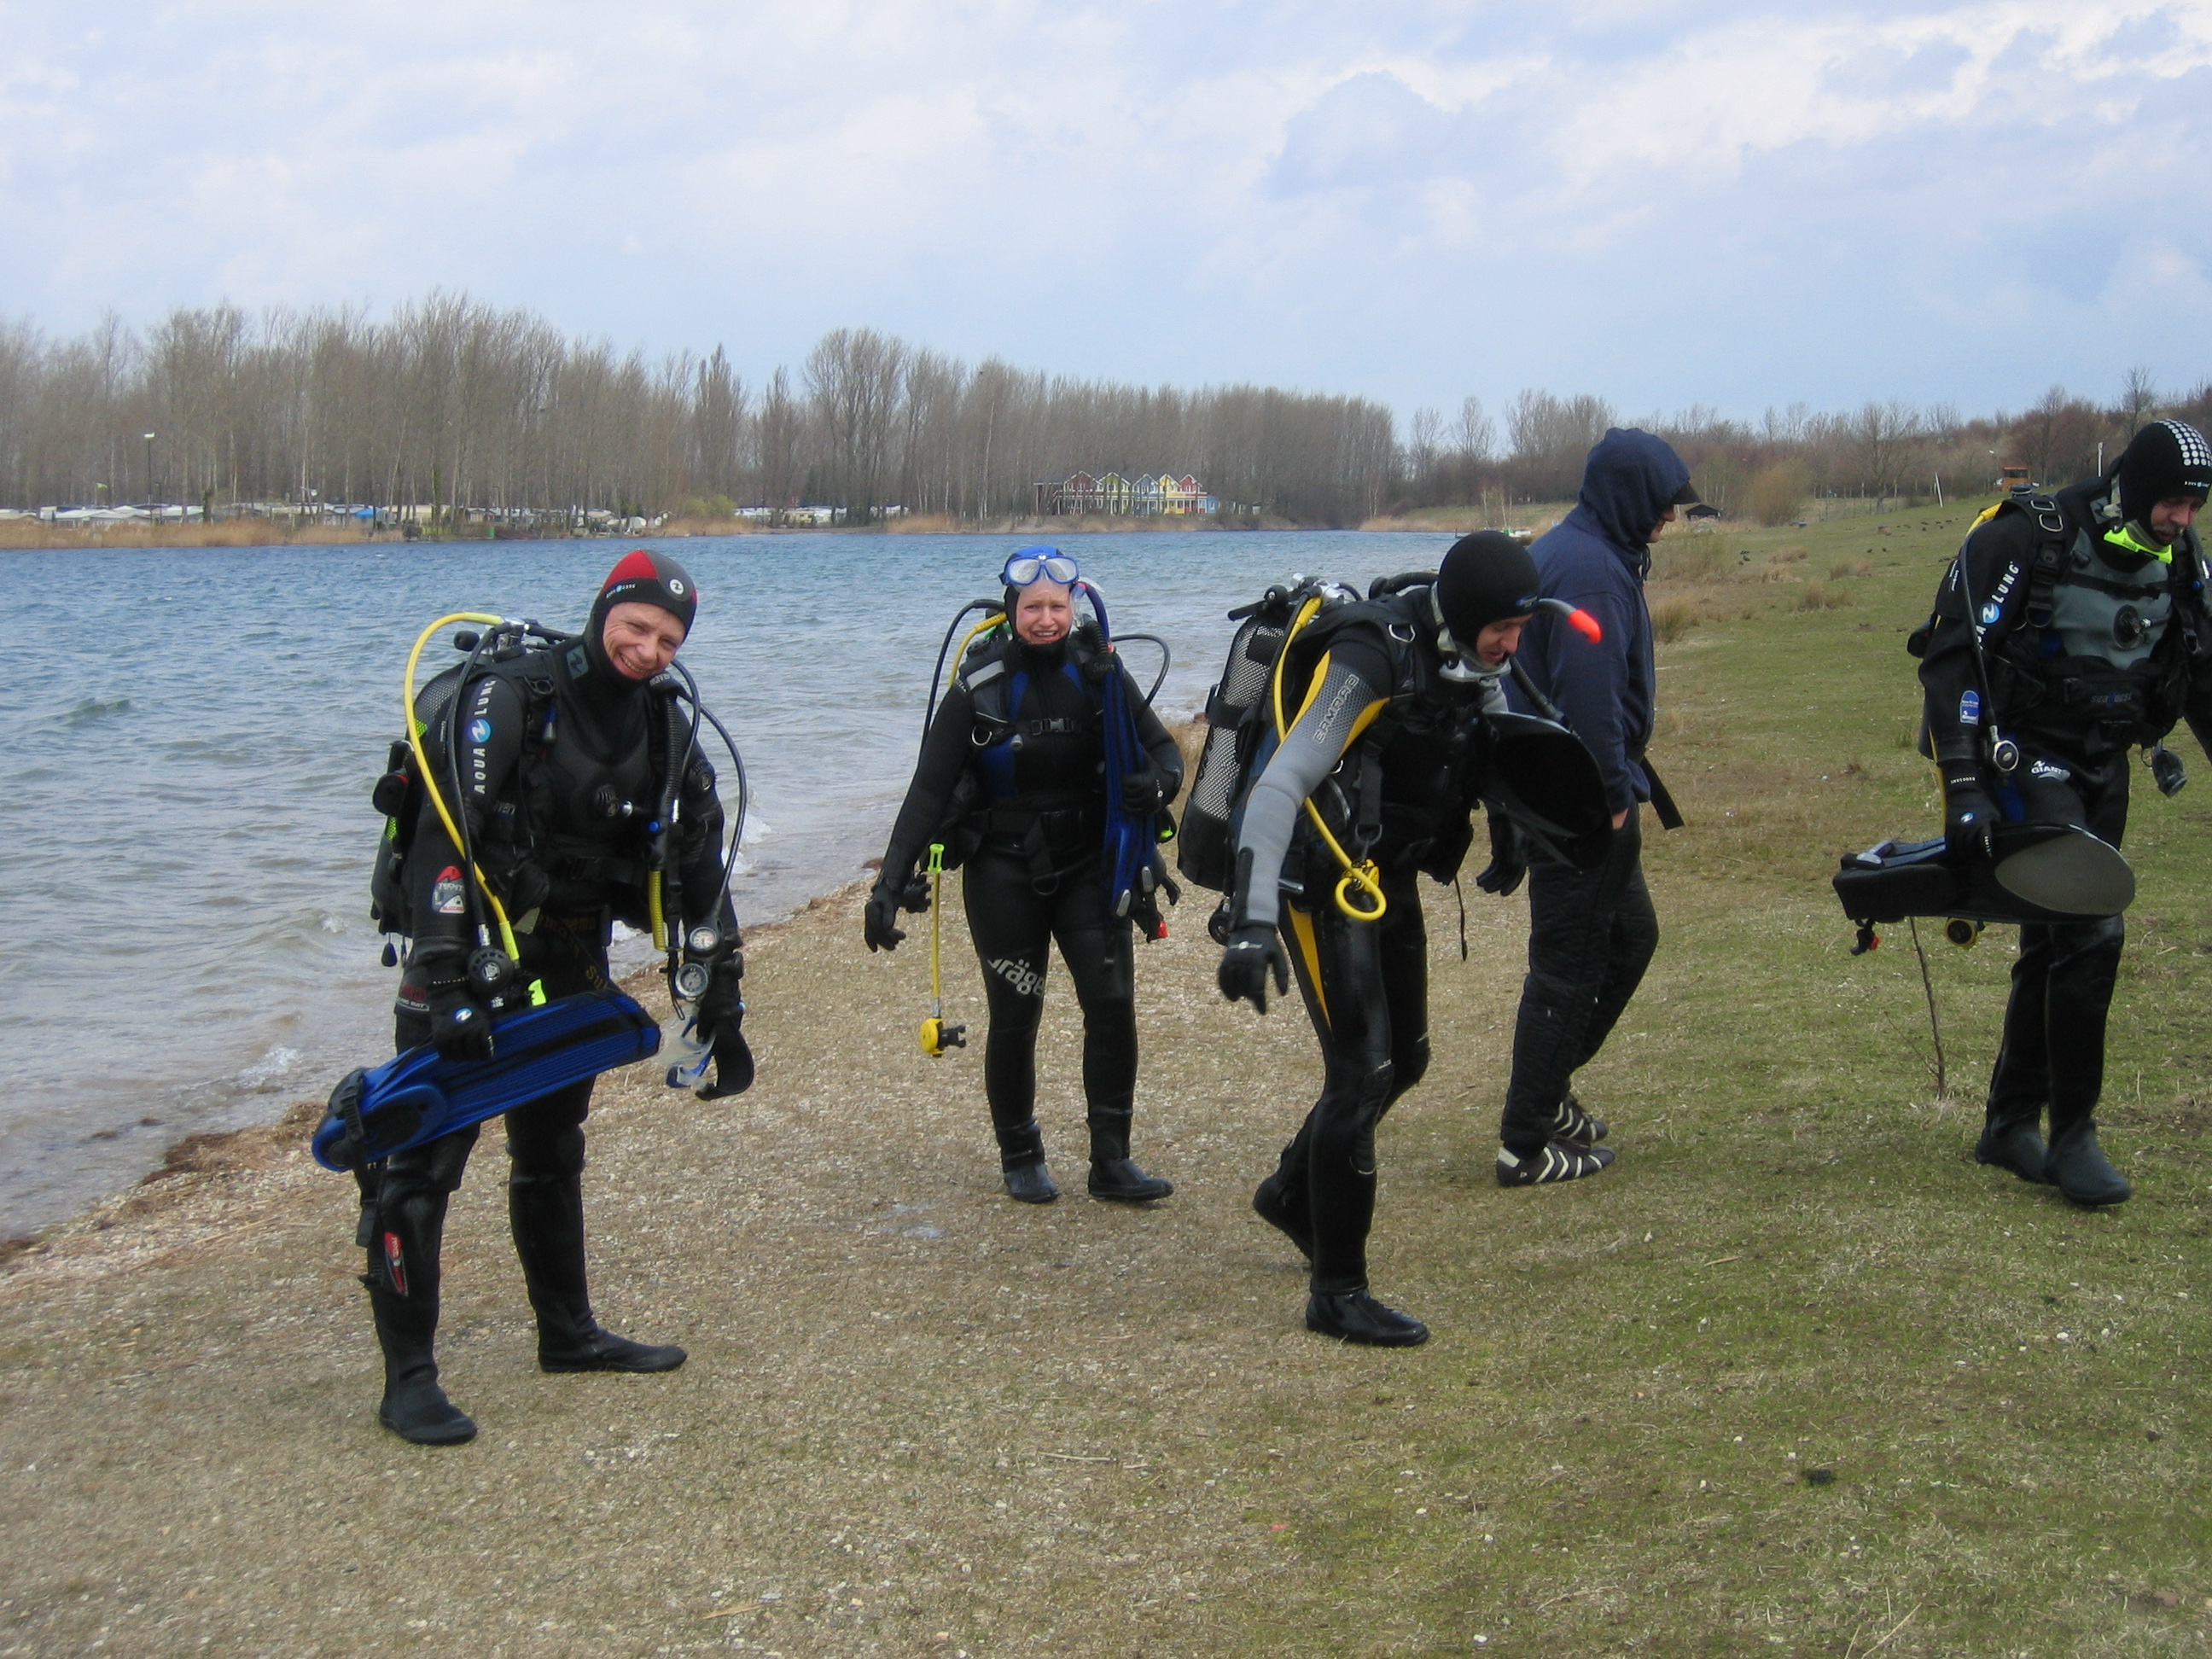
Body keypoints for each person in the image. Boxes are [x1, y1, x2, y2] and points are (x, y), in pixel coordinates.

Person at [358, 549, 742, 1444]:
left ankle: (568, 1336)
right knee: (421, 1162)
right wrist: (445, 978)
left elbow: (700, 855)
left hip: (569, 950)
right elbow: (443, 836)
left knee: (552, 1147)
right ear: (605, 610)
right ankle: (408, 1381)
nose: (648, 650)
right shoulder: (511, 698)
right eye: (636, 627)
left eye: (668, 640)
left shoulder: (664, 723)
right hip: (469, 952)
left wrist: (721, 987)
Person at [1218, 533, 1541, 1347]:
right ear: (1464, 613)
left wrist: (1511, 821)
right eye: (1501, 628)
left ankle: (1292, 1191)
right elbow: (1279, 787)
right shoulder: (1371, 657)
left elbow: (1493, 732)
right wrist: (1252, 922)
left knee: (1408, 1061)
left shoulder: (1470, 657)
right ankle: (1337, 1292)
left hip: (1379, 872)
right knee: (1361, 1074)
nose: (1510, 645)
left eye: (1520, 629)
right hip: (1317, 874)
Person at [1917, 418, 2212, 1206]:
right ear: (2137, 487)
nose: (2183, 519)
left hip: (2104, 764)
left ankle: (2010, 1124)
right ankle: (2074, 1135)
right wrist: (1965, 785)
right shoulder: (2030, 536)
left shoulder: (2181, 561)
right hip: (2024, 756)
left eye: (2196, 506)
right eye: (2173, 503)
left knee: (2054, 941)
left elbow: (2203, 671)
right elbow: (1953, 661)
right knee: (2092, 928)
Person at [866, 549, 1183, 1205]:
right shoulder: (978, 688)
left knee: (1112, 1007)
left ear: (1073, 608)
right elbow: (927, 791)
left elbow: (1162, 750)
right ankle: (1020, 1153)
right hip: (1003, 873)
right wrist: (888, 884)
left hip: (1091, 869)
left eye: (1056, 607)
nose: (1045, 619)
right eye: (1033, 607)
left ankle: (1112, 1160)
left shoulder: (1101, 674)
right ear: (1012, 611)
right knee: (1015, 1015)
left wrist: (1157, 785)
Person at [1495, 428, 1694, 1187]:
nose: (1669, 516)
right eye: (1662, 502)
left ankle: (1546, 1092)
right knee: (1569, 966)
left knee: (1630, 939)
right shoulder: (1591, 572)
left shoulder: (1586, 551)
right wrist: (1611, 799)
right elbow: (1590, 697)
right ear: (1627, 495)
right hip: (1575, 801)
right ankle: (1524, 1141)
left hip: (1564, 790)